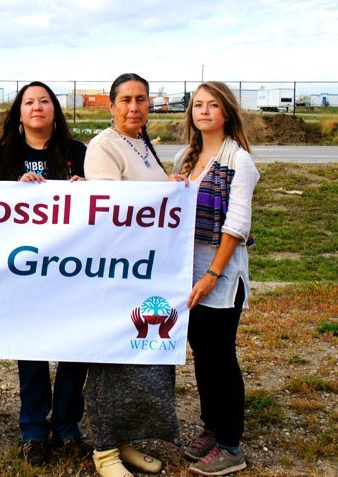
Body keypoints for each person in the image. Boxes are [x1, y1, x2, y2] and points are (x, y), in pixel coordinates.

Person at [83, 73, 176, 477]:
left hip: (147, 270)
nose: (134, 107)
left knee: (137, 361)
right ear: (112, 105)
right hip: (118, 269)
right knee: (110, 362)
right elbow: (113, 207)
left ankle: (125, 441)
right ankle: (104, 452)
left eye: (141, 99)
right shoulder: (104, 146)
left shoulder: (141, 142)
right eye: (126, 100)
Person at [0, 81, 90, 467]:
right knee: (30, 348)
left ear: (55, 109)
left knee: (73, 348)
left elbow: (112, 203)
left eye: (44, 101)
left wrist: (87, 188)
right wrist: (13, 193)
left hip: (74, 268)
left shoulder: (78, 153)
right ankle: (33, 430)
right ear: (19, 112)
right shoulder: (3, 155)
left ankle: (66, 426)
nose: (37, 107)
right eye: (29, 102)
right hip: (24, 270)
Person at [170, 81, 259, 476]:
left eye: (212, 105)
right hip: (185, 274)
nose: (203, 111)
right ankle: (211, 427)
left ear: (227, 113)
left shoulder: (240, 161)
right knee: (203, 357)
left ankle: (231, 445)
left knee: (221, 358)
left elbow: (237, 226)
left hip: (219, 277)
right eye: (198, 105)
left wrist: (211, 274)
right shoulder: (183, 159)